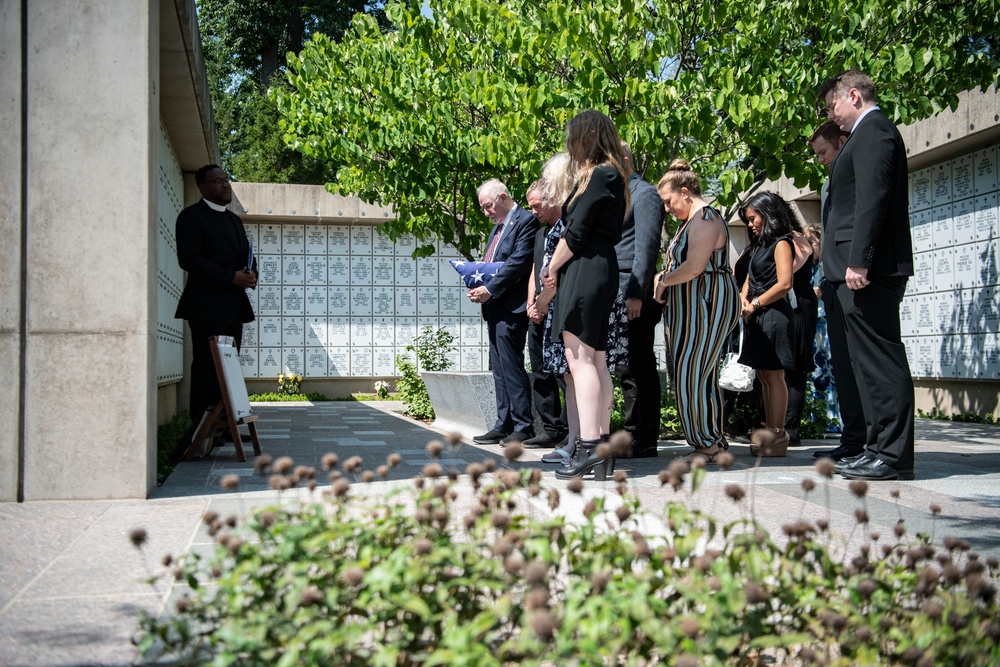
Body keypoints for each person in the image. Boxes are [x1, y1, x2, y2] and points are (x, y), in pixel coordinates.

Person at [818, 70, 915, 481]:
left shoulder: (874, 131)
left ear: (852, 95)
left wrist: (861, 260)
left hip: (867, 271)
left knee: (880, 361)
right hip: (852, 270)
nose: (831, 115)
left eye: (832, 106)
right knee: (864, 364)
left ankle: (892, 454)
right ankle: (877, 447)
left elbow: (872, 200)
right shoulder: (864, 134)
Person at [541, 110, 630, 479]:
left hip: (585, 267)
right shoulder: (613, 175)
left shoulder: (599, 174)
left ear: (586, 136)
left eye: (572, 136)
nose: (569, 143)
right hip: (597, 267)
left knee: (580, 361)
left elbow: (574, 233)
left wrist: (552, 269)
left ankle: (591, 447)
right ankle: (600, 447)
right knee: (594, 360)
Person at [652, 159, 740, 464]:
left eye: (669, 201)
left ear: (686, 192)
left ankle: (707, 443)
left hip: (706, 303)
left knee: (693, 371)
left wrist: (662, 279)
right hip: (693, 306)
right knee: (697, 373)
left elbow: (694, 267)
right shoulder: (692, 220)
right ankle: (710, 440)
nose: (667, 208)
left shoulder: (704, 218)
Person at [174, 165, 258, 454]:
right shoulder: (191, 218)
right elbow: (190, 259)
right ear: (202, 186)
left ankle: (225, 428)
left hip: (234, 307)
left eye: (226, 180)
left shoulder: (234, 220)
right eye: (218, 181)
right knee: (207, 370)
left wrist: (251, 275)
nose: (225, 186)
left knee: (229, 368)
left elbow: (246, 254)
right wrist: (230, 277)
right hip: (206, 306)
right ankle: (201, 433)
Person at [470, 180, 539, 445]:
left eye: (488, 206)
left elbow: (518, 263)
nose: (486, 212)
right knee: (498, 366)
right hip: (494, 305)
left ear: (502, 197)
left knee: (511, 366)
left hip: (512, 304)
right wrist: (477, 284)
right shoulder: (498, 228)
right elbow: (492, 263)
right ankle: (504, 423)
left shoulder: (525, 221)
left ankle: (523, 425)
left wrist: (490, 288)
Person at [614, 143, 666, 459]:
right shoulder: (616, 195)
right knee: (625, 368)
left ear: (624, 159)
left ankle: (644, 437)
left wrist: (635, 293)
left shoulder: (644, 193)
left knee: (639, 366)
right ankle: (632, 431)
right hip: (617, 293)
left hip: (635, 294)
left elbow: (646, 249)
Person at [736, 192, 798, 457]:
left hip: (773, 314)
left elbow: (785, 283)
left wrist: (755, 303)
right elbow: (750, 277)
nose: (751, 224)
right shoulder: (759, 245)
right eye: (748, 220)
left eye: (753, 218)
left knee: (774, 375)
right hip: (756, 314)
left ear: (768, 213)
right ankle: (771, 433)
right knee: (763, 375)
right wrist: (742, 300)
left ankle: (777, 434)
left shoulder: (782, 243)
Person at [524, 175, 570, 450]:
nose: (533, 211)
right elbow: (535, 269)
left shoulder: (566, 229)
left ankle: (569, 427)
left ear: (552, 199)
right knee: (540, 370)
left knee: (564, 373)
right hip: (538, 308)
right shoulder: (541, 233)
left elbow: (559, 273)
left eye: (536, 205)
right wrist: (531, 303)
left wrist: (543, 301)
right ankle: (550, 427)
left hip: (558, 307)